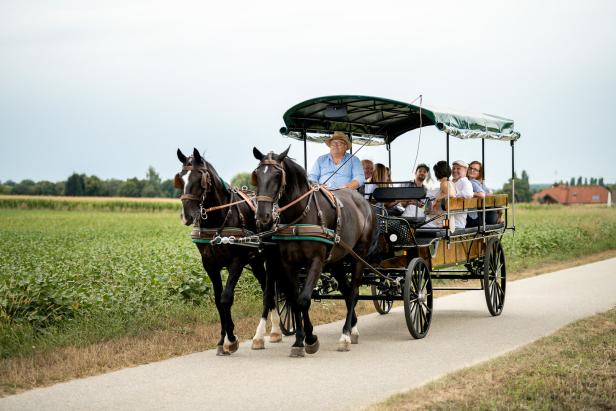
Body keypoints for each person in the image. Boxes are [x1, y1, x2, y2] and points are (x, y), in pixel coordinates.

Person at [422, 161, 457, 230]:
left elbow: (451, 194)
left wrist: (437, 199)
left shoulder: (444, 183)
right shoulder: (450, 182)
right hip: (447, 219)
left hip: (444, 222)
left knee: (419, 224)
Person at [451, 160, 474, 229]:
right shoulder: (452, 182)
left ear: (465, 170)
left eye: (458, 168)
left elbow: (469, 194)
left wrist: (453, 195)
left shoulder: (464, 181)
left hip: (457, 224)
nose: (455, 171)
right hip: (448, 221)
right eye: (453, 168)